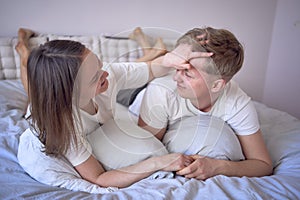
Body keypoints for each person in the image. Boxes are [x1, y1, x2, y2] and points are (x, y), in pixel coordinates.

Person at [15, 28, 211, 188]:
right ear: (70, 95)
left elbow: (151, 69)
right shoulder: (65, 127)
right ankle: (24, 53)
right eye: (95, 78)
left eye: (100, 65)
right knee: (31, 93)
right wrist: (160, 162)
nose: (106, 75)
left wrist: (171, 58)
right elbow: (99, 178)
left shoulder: (106, 74)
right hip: (46, 117)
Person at [135, 27, 273, 180]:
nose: (176, 78)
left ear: (216, 85)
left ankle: (153, 51)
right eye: (177, 68)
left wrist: (218, 166)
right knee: (128, 81)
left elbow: (263, 164)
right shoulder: (161, 91)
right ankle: (148, 51)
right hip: (137, 92)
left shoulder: (237, 103)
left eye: (187, 73)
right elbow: (147, 156)